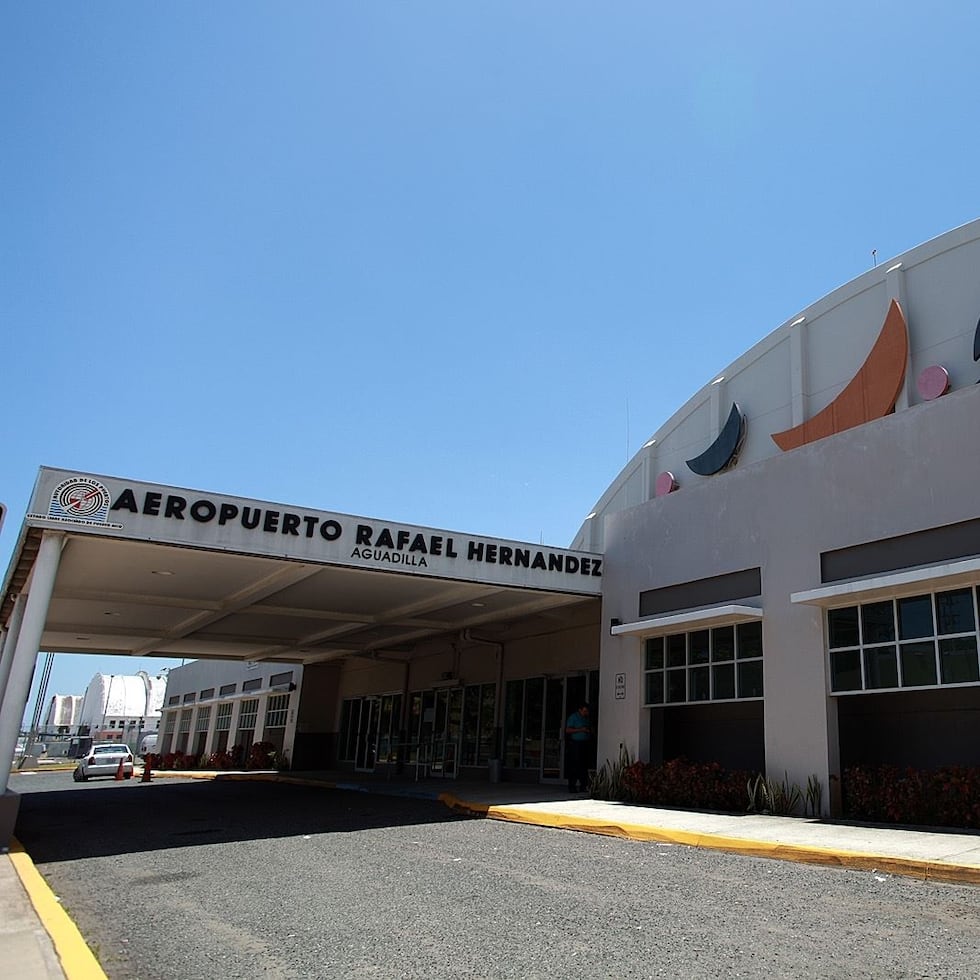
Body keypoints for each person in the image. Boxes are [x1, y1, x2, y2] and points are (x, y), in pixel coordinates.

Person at [564, 701, 591, 793]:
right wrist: (580, 729)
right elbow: (567, 730)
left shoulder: (586, 718)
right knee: (574, 765)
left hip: (584, 743)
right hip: (575, 744)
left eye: (587, 711)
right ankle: (572, 786)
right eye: (584, 711)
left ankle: (583, 785)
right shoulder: (573, 717)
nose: (586, 713)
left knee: (583, 766)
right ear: (580, 710)